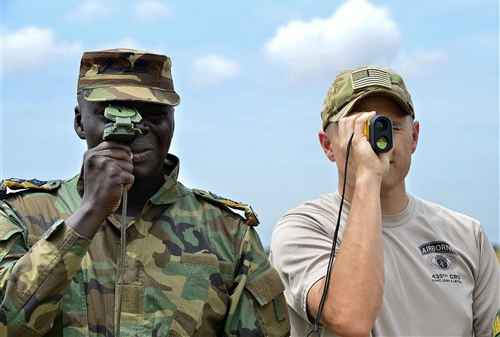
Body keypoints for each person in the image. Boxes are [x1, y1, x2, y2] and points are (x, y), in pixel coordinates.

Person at [0, 48, 290, 336]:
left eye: (153, 113)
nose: (135, 127)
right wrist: (90, 212)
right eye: (113, 114)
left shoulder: (229, 233)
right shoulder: (23, 217)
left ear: (173, 122)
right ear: (79, 122)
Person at [270, 66, 499, 336]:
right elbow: (350, 317)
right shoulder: (302, 229)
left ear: (414, 137)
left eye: (391, 127)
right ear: (328, 146)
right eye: (361, 127)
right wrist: (368, 176)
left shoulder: (467, 235)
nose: (381, 142)